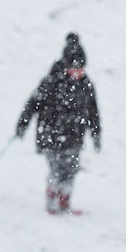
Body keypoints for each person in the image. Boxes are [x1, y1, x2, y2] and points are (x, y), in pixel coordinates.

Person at [16, 33, 101, 215]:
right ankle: (52, 202)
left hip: (75, 135)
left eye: (81, 69)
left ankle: (65, 201)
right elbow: (32, 104)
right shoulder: (51, 82)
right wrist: (22, 124)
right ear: (66, 66)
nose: (78, 73)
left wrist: (96, 133)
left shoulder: (86, 86)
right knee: (56, 169)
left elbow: (93, 111)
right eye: (74, 69)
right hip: (52, 135)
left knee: (71, 170)